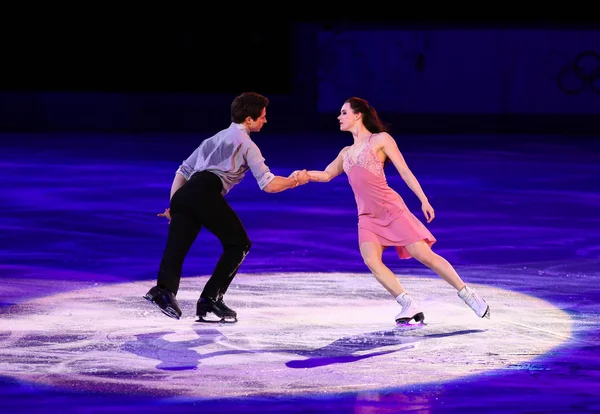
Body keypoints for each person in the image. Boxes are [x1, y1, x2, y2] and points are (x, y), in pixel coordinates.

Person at [299, 97, 490, 325]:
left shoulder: (380, 140)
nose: (339, 117)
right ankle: (407, 304)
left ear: (358, 115)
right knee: (371, 260)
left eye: (343, 112)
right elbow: (327, 174)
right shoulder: (345, 153)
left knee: (424, 255)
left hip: (391, 209)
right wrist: (304, 175)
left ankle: (468, 294)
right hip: (367, 216)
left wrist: (423, 199)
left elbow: (405, 171)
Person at [145, 92, 310, 323]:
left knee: (178, 247)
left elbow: (183, 171)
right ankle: (210, 299)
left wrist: (174, 204)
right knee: (239, 244)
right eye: (262, 117)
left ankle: (164, 290)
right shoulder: (247, 144)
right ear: (249, 119)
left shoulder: (213, 139)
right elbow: (268, 184)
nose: (265, 120)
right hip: (204, 192)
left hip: (185, 194)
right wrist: (295, 181)